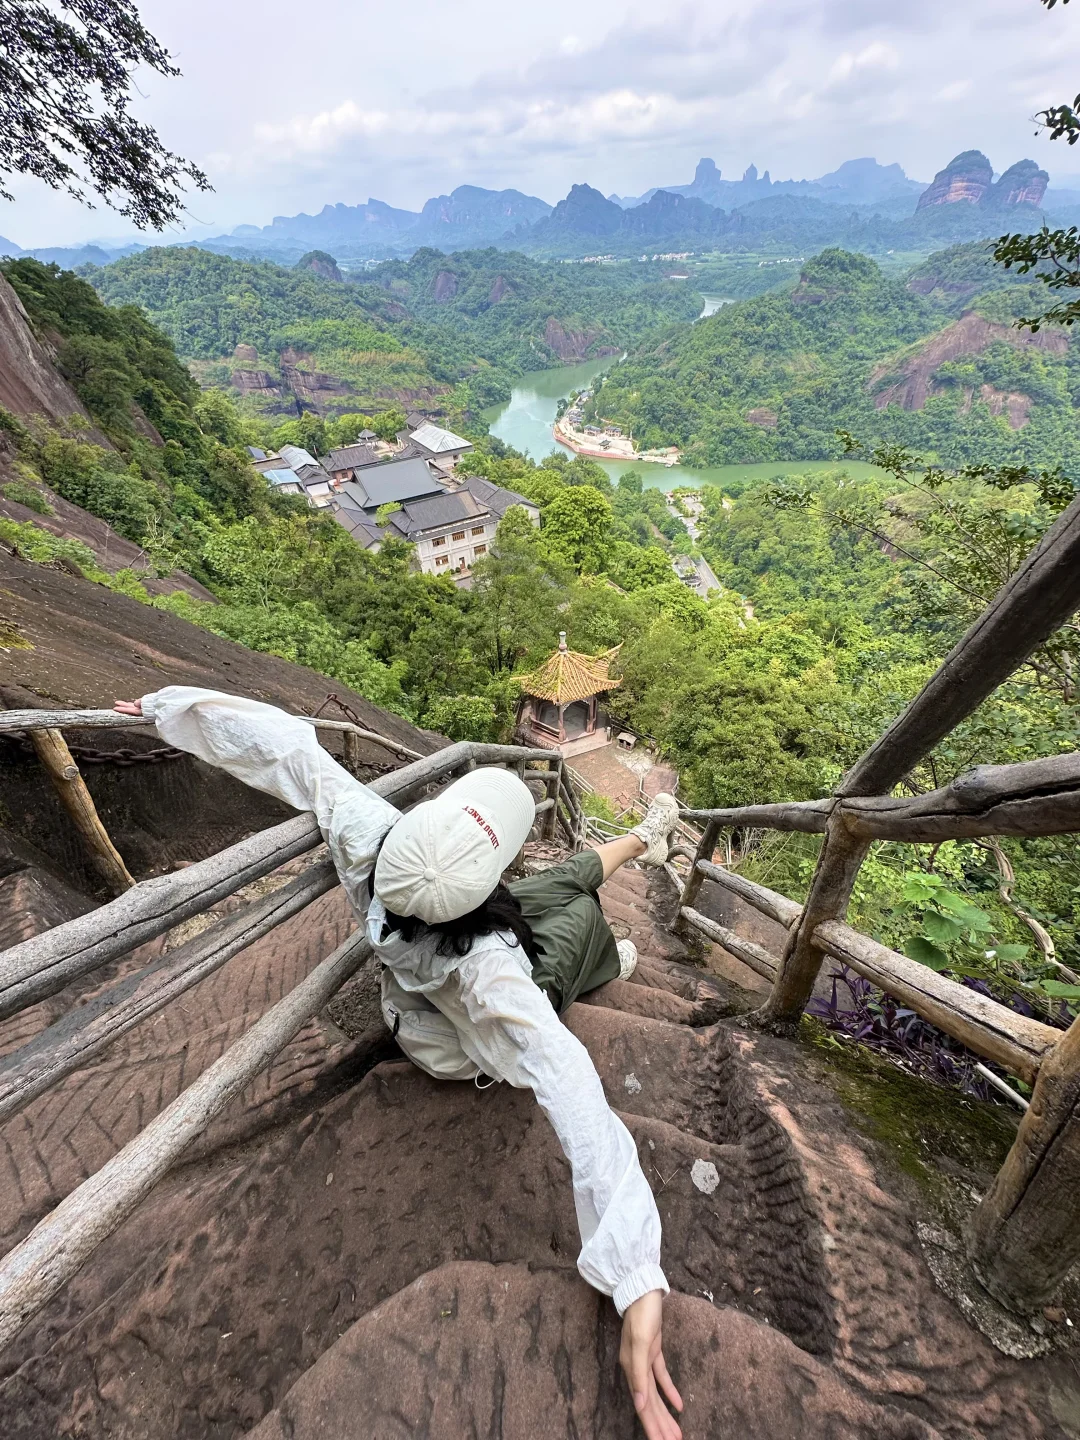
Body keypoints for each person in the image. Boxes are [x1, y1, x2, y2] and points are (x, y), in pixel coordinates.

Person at [115, 687, 685, 1440]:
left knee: (564, 888)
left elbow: (292, 752)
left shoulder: (373, 838)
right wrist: (636, 1272)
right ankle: (614, 944)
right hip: (459, 1040)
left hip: (438, 986)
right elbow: (569, 1081)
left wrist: (168, 708)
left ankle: (631, 876)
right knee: (575, 920)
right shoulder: (493, 970)